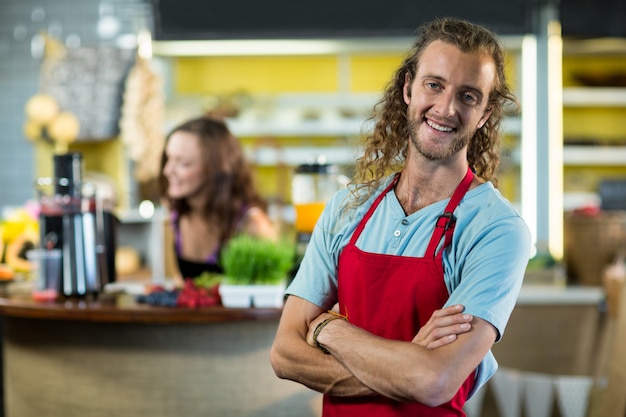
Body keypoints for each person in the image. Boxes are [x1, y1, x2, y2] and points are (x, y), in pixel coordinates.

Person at [270, 17, 531, 416]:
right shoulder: (347, 208)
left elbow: (435, 382)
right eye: (434, 85)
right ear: (408, 87)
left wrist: (329, 328)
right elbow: (285, 354)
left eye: (468, 96)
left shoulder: (496, 229)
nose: (445, 108)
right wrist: (408, 365)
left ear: (485, 113)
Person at [159, 116, 277, 282]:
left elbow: (275, 292)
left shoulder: (252, 225)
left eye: (183, 163)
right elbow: (182, 285)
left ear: (216, 169)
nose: (167, 170)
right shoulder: (177, 218)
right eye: (168, 158)